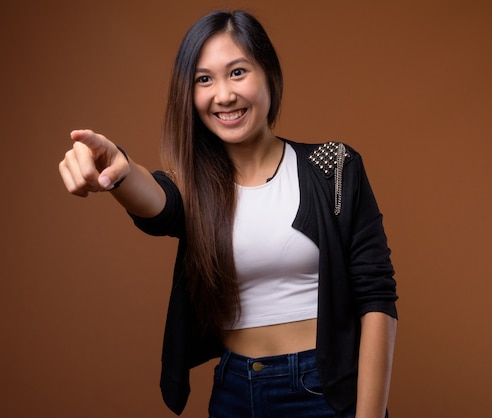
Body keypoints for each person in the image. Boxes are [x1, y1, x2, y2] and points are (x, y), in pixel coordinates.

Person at [58, 9, 398, 418]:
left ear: (269, 74)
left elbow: (376, 296)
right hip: (237, 390)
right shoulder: (194, 185)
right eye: (204, 79)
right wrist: (118, 169)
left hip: (324, 389)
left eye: (237, 72)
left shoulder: (334, 167)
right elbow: (157, 203)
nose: (223, 95)